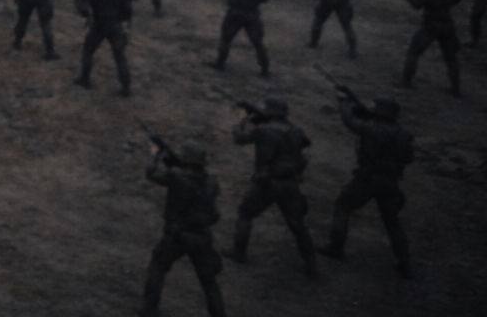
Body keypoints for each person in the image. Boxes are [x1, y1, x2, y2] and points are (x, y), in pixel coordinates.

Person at [317, 94, 414, 278]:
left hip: (369, 179)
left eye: (376, 106)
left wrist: (344, 104)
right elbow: (409, 158)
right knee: (392, 221)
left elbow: (350, 122)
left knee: (343, 206)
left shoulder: (372, 128)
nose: (372, 107)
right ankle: (404, 261)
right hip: (391, 182)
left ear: (383, 111)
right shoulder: (403, 133)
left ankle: (336, 247)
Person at [224, 98, 317, 277]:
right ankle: (311, 263)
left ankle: (238, 252)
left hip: (269, 183)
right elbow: (303, 152)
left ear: (272, 112)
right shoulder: (296, 130)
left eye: (266, 109)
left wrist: (241, 121)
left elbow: (239, 138)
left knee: (245, 213)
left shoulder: (266, 129)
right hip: (290, 184)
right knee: (297, 224)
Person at [138, 140, 227, 317]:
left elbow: (152, 173)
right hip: (202, 236)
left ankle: (149, 309)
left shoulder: (177, 178)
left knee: (158, 267)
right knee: (209, 282)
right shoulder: (210, 181)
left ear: (188, 159)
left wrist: (154, 154)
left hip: (179, 235)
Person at [61, 0, 139, 96]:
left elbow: (83, 9)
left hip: (98, 27)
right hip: (115, 27)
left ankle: (85, 79)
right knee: (120, 58)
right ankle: (126, 88)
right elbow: (128, 11)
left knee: (87, 52)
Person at [401, 0, 462, 97]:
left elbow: (417, 4)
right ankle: (456, 88)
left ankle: (406, 81)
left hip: (430, 26)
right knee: (451, 58)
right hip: (448, 26)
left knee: (413, 52)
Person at [210, 0, 271, 76]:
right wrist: (254, 1)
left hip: (235, 14)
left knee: (225, 39)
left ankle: (220, 63)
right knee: (257, 42)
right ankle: (265, 67)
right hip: (252, 15)